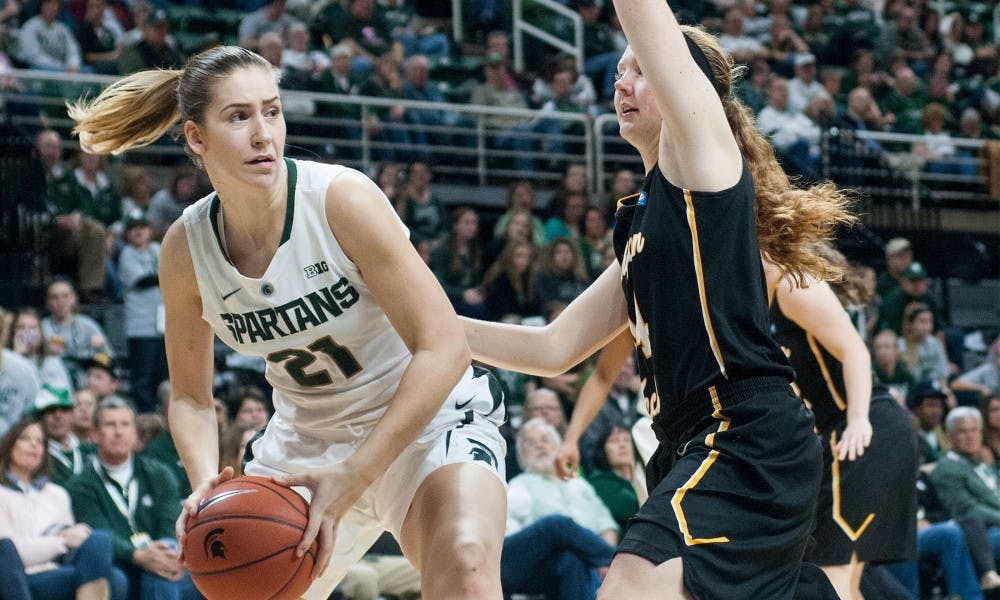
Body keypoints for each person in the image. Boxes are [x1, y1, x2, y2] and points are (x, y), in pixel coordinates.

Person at [68, 45, 508, 599]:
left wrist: (356, 475)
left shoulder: (340, 201)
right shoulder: (186, 247)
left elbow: (444, 348)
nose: (263, 134)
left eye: (271, 111)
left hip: (424, 422)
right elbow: (192, 399)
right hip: (304, 443)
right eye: (238, 116)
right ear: (195, 138)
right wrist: (207, 483)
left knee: (465, 565)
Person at [464, 2, 857, 596]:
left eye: (639, 67)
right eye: (618, 71)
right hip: (688, 439)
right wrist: (420, 324)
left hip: (742, 431)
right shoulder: (639, 222)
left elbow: (645, 15)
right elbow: (554, 348)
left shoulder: (701, 158)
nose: (621, 81)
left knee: (628, 587)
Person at [765, 243, 917, 599]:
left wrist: (859, 419)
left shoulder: (793, 283)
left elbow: (856, 351)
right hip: (849, 436)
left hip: (862, 432)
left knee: (831, 573)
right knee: (845, 579)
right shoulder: (763, 302)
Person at [65, 397, 200, 599]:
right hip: (118, 564)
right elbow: (100, 533)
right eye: (110, 425)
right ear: (94, 435)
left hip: (161, 557)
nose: (118, 432)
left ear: (135, 432)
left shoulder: (159, 474)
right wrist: (139, 556)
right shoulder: (81, 485)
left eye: (125, 425)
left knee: (178, 574)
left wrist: (164, 554)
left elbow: (169, 524)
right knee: (150, 579)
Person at [0, 417, 128, 600]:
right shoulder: (1, 494)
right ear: (9, 444)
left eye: (39, 441)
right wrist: (61, 542)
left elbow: (72, 541)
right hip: (23, 575)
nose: (33, 445)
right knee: (115, 579)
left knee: (100, 539)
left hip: (61, 566)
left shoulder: (57, 494)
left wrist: (76, 535)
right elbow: (9, 551)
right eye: (25, 439)